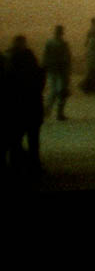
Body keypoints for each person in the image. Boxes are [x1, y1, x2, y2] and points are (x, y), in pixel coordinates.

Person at [6, 34, 47, 176]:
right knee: (33, 140)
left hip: (16, 108)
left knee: (15, 139)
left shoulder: (9, 62)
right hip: (32, 107)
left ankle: (18, 165)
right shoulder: (31, 61)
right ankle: (33, 165)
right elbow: (40, 81)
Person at [42, 24, 72, 122]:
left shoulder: (50, 43)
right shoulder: (63, 44)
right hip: (60, 71)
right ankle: (59, 113)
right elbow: (67, 58)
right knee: (61, 92)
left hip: (53, 70)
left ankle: (47, 111)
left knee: (53, 92)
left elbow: (45, 58)